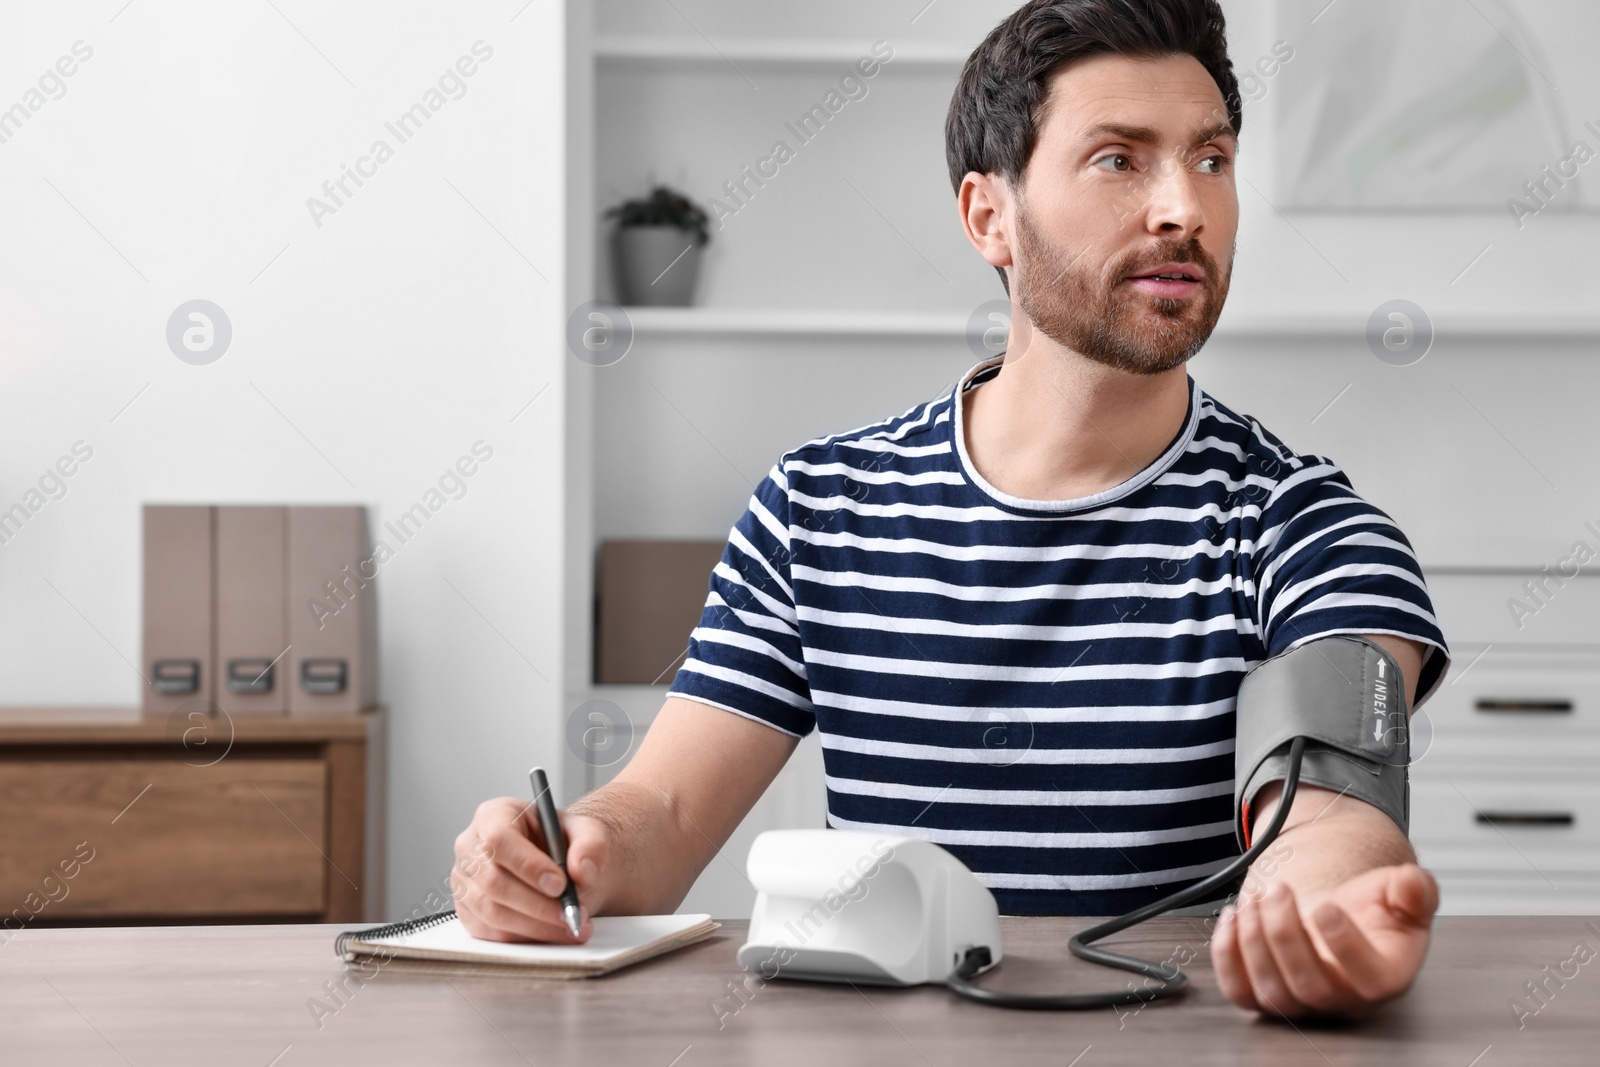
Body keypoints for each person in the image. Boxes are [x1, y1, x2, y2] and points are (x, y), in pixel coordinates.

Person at [452, 0, 1451, 1019]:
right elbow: (658, 813)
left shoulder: (1309, 530)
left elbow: (1329, 815)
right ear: (988, 217)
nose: (1180, 209)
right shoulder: (816, 509)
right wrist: (558, 857)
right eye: (1118, 159)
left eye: (1210, 159)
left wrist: (1324, 914)